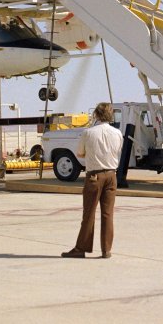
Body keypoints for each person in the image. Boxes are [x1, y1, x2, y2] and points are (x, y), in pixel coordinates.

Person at [62, 102, 124, 259]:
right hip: (111, 175)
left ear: (96, 114)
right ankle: (106, 250)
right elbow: (118, 152)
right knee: (108, 214)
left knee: (89, 214)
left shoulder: (88, 133)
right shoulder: (117, 133)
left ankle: (81, 248)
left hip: (94, 176)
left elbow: (80, 154)